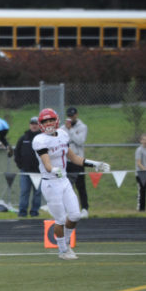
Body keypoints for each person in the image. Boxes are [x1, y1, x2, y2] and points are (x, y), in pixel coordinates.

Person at [32, 108, 109, 260]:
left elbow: (74, 158)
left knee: (75, 215)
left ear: (56, 121)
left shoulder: (62, 134)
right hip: (50, 183)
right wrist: (54, 170)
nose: (48, 123)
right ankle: (62, 250)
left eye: (50, 120)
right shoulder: (39, 140)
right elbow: (47, 164)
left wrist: (94, 164)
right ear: (41, 124)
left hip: (64, 180)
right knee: (60, 219)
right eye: (45, 121)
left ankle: (66, 244)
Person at [60, 107, 90, 218]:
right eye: (69, 116)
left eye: (72, 116)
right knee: (67, 187)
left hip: (78, 160)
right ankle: (69, 209)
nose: (70, 118)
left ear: (76, 115)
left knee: (81, 186)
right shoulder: (62, 128)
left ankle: (85, 209)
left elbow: (80, 141)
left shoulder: (82, 127)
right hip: (66, 161)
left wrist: (71, 130)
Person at [14, 116, 43, 217]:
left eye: (36, 124)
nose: (34, 126)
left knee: (38, 193)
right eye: (32, 124)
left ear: (39, 126)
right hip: (25, 171)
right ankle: (22, 212)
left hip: (39, 171)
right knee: (24, 191)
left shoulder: (43, 138)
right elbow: (16, 152)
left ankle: (34, 211)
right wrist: (20, 165)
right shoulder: (23, 138)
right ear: (30, 125)